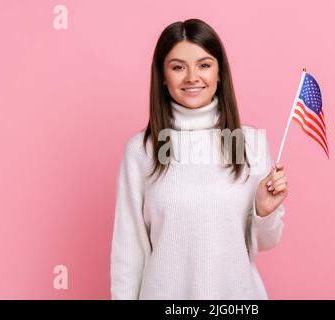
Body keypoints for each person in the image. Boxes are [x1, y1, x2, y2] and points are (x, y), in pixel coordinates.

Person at [110, 18, 288, 300]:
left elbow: (265, 242)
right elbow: (127, 251)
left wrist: (263, 212)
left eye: (204, 65)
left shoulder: (251, 143)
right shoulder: (140, 151)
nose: (192, 77)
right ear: (163, 76)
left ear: (219, 74)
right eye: (178, 67)